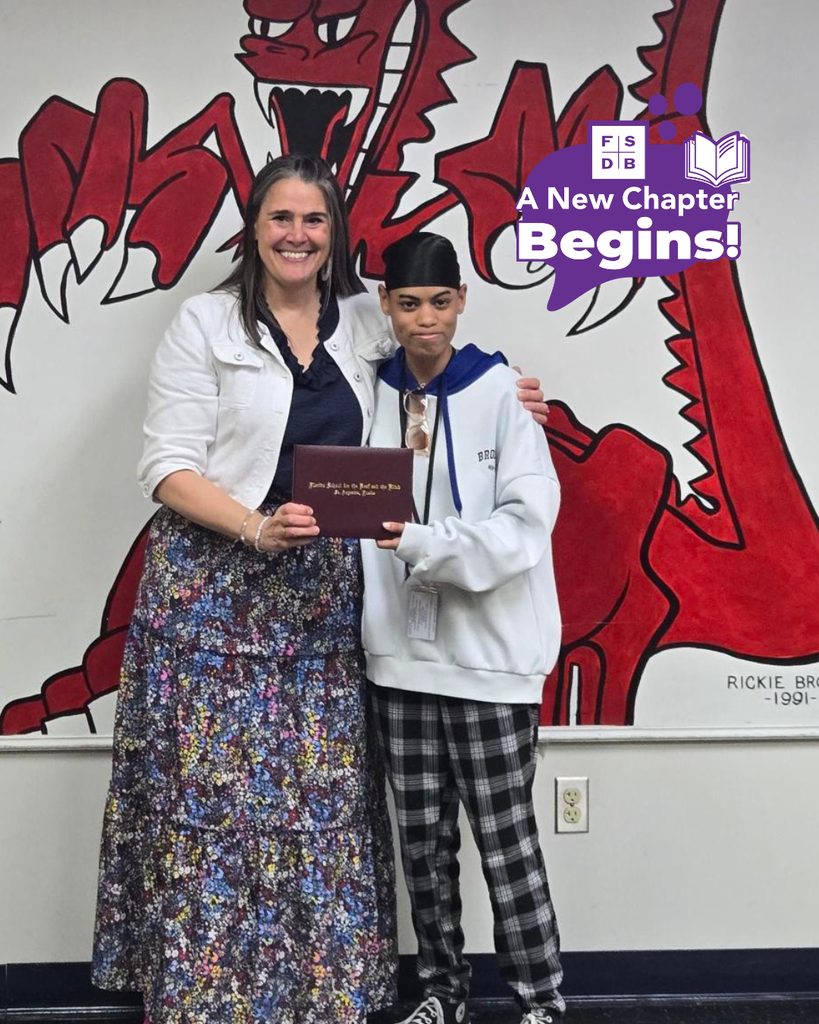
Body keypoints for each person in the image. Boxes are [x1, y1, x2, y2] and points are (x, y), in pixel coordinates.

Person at [91, 156, 550, 1024]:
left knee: (325, 800)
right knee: (211, 802)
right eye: (281, 218)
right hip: (212, 600)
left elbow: (435, 367)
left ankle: (320, 996)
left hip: (327, 600)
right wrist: (252, 526)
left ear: (334, 233)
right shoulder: (205, 323)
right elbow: (166, 465)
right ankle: (207, 996)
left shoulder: (366, 325)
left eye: (314, 220)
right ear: (253, 228)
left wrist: (504, 391)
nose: (296, 235)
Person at [361, 232, 564, 1024]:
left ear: (462, 302)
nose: (425, 320)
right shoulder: (364, 391)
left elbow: (524, 529)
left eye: (439, 302)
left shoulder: (503, 395)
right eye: (408, 303)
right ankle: (442, 994)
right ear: (384, 304)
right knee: (421, 847)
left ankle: (539, 1001)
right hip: (398, 661)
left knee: (506, 846)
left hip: (492, 663)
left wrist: (423, 543)